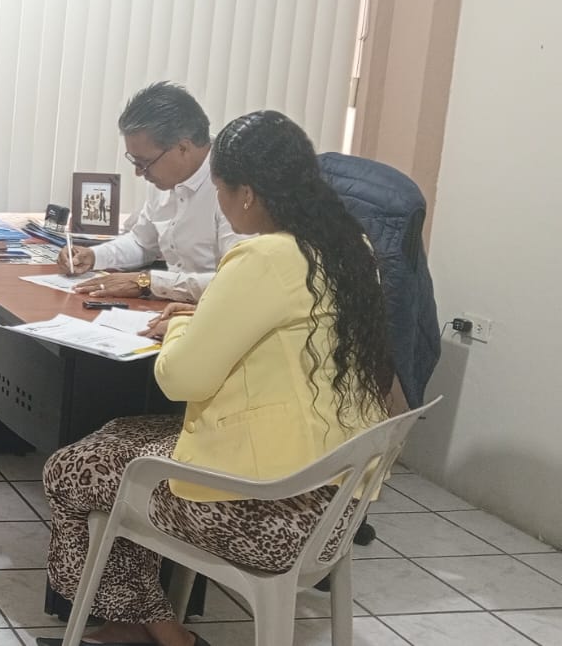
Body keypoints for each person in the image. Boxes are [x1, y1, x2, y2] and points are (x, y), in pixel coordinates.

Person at [38, 111, 396, 646]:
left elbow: (180, 380)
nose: (220, 202)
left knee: (71, 468)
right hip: (333, 500)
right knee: (119, 438)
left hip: (264, 512)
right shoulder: (348, 248)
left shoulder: (264, 256)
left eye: (222, 189)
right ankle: (143, 626)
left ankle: (160, 632)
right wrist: (199, 316)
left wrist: (181, 325)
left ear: (245, 194)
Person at [60, 82, 246, 308]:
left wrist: (148, 282)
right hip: (166, 307)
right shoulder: (165, 179)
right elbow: (142, 242)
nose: (139, 173)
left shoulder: (234, 185)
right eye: (135, 162)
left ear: (183, 148)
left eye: (145, 162)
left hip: (215, 313)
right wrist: (93, 256)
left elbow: (238, 280)